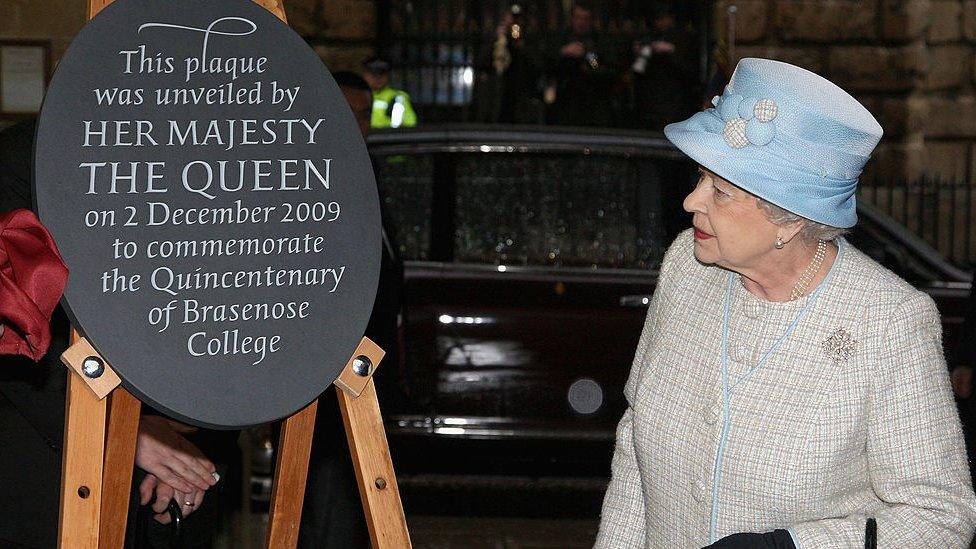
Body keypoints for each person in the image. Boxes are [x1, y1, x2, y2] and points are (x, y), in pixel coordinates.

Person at [596, 58, 976, 548]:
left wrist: (794, 546)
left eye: (722, 192)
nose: (692, 202)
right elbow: (635, 452)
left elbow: (941, 517)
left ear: (790, 221)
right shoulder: (687, 269)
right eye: (699, 178)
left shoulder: (889, 321)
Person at [0, 119, 232, 548]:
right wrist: (124, 432)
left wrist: (182, 442)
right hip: (45, 445)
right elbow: (16, 334)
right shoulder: (27, 155)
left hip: (170, 444)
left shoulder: (216, 150)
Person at [297, 70, 405, 549]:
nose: (362, 127)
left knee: (354, 492)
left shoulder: (364, 174)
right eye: (351, 115)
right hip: (327, 366)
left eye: (366, 115)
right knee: (328, 492)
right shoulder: (311, 178)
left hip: (365, 363)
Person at [545, 1, 619, 127]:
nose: (581, 22)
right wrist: (564, 52)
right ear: (572, 18)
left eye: (585, 19)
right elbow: (546, 65)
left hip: (594, 105)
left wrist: (587, 55)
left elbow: (605, 69)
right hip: (565, 105)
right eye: (578, 18)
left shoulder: (600, 40)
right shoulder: (560, 38)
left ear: (591, 20)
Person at [627, 4, 699, 130]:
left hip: (673, 99)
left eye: (663, 18)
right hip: (650, 100)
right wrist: (642, 51)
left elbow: (689, 70)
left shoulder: (682, 38)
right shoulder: (650, 36)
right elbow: (637, 69)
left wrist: (671, 50)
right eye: (658, 19)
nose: (660, 23)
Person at [471, 4, 544, 124]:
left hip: (522, 102)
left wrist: (521, 46)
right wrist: (498, 40)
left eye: (517, 19)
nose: (514, 24)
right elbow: (482, 63)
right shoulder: (497, 40)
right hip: (497, 101)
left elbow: (537, 67)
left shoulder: (529, 40)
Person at [362, 56, 418, 129]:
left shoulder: (398, 97)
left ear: (388, 75)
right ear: (365, 75)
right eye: (373, 75)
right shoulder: (358, 96)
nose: (378, 78)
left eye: (381, 74)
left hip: (388, 137)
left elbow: (411, 123)